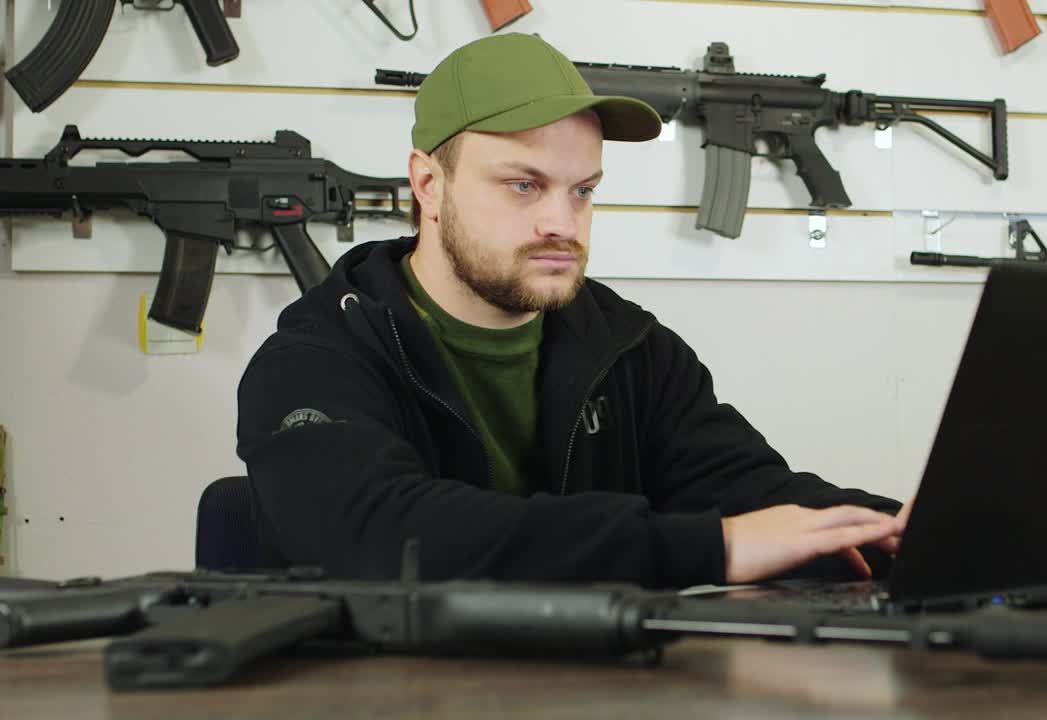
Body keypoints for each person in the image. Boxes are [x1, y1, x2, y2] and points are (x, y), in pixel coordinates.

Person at [235, 33, 907, 589]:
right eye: (524, 185)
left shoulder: (630, 346)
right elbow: (382, 536)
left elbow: (749, 491)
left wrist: (896, 528)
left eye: (583, 190)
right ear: (428, 184)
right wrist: (709, 548)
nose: (563, 222)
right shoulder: (316, 359)